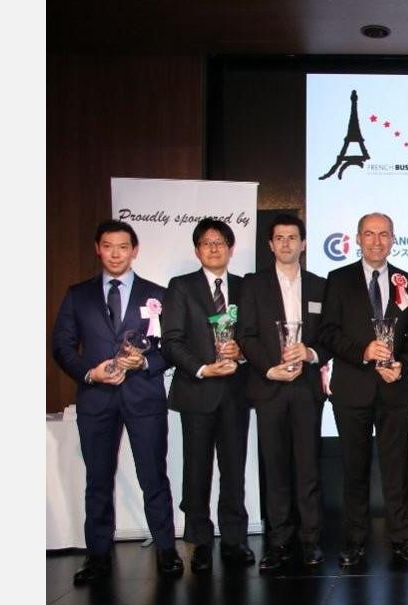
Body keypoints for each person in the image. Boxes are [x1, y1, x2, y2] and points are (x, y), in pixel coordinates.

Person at [52, 220, 183, 583]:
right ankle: (97, 555)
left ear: (134, 250)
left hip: (143, 398)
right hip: (96, 399)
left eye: (123, 247)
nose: (115, 254)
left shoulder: (157, 294)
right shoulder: (78, 295)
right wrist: (89, 373)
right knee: (97, 479)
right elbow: (61, 346)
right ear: (98, 249)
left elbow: (172, 347)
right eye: (108, 246)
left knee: (153, 476)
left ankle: (166, 549)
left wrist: (145, 362)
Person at [319, 212, 408, 565]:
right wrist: (362, 352)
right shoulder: (338, 280)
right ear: (358, 238)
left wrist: (402, 364)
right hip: (352, 388)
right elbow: (328, 332)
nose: (377, 241)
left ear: (393, 239)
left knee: (396, 470)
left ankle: (401, 538)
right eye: (369, 234)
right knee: (354, 470)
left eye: (383, 234)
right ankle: (354, 541)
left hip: (395, 389)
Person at [237, 214, 331, 571]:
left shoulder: (320, 286)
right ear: (270, 244)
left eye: (293, 237)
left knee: (308, 468)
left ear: (303, 244)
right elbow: (246, 335)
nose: (287, 243)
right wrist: (268, 368)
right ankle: (278, 541)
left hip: (307, 388)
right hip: (269, 387)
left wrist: (311, 353)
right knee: (275, 468)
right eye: (280, 238)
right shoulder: (253, 285)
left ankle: (310, 540)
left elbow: (330, 337)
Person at [160, 218, 252, 572]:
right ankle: (199, 541)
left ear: (230, 248)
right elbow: (171, 341)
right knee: (197, 469)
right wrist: (201, 368)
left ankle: (234, 539)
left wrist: (241, 352)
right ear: (197, 250)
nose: (214, 248)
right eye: (206, 243)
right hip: (197, 389)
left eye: (220, 242)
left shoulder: (245, 287)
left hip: (235, 392)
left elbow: (256, 335)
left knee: (234, 469)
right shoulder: (181, 287)